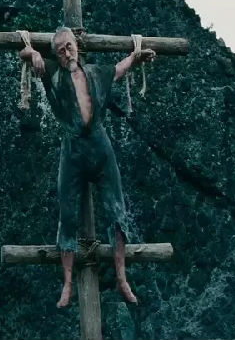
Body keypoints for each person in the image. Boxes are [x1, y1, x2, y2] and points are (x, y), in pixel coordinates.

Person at [19, 26, 155, 307]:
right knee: (67, 214)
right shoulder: (53, 73)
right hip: (73, 150)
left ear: (77, 46)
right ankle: (68, 283)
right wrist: (32, 53)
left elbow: (118, 69)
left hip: (100, 147)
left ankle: (122, 279)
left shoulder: (95, 73)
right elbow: (27, 55)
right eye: (60, 51)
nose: (66, 53)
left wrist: (136, 57)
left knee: (116, 211)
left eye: (69, 47)